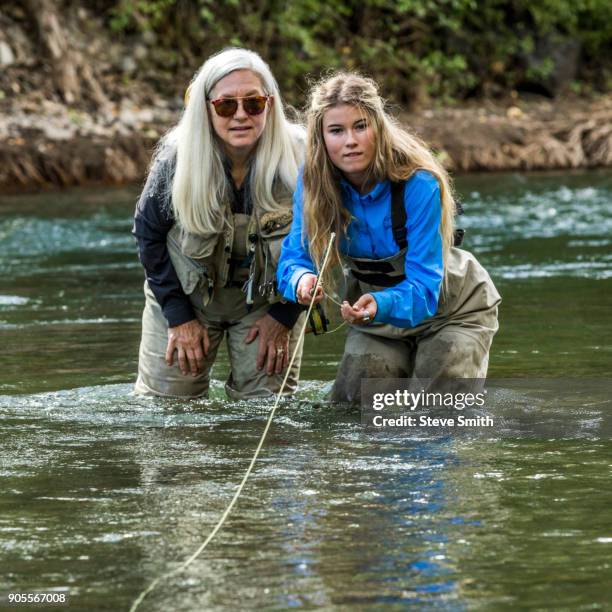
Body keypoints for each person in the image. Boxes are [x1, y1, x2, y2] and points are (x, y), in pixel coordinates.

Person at [276, 73, 501, 403]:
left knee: (432, 416)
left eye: (360, 126)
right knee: (352, 409)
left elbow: (425, 289)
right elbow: (295, 256)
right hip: (377, 319)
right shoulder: (313, 182)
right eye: (336, 131)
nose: (350, 140)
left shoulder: (419, 182)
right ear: (321, 138)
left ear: (378, 128)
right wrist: (301, 281)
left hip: (451, 312)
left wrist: (377, 305)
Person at [133, 48, 306, 399]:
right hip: (184, 296)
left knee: (263, 413)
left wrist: (284, 317)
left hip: (267, 303)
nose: (241, 115)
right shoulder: (175, 159)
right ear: (206, 108)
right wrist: (179, 317)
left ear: (269, 105)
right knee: (169, 414)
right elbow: (147, 235)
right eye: (226, 105)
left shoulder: (302, 156)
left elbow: (322, 242)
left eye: (254, 103)